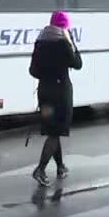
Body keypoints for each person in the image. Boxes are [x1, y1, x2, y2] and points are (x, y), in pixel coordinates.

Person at [29, 10, 82, 186]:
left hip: (44, 92)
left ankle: (60, 167)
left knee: (53, 130)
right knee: (55, 131)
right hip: (60, 93)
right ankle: (40, 169)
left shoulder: (40, 41)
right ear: (65, 26)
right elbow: (78, 64)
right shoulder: (63, 43)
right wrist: (72, 42)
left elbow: (33, 71)